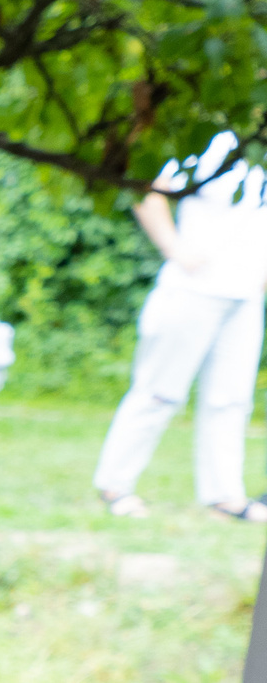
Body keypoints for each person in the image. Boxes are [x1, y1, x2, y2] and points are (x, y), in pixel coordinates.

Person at [93, 130, 267, 520]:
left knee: (231, 399)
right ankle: (115, 486)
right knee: (158, 391)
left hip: (246, 295)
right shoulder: (206, 138)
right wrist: (173, 248)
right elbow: (147, 189)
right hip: (192, 288)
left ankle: (225, 496)